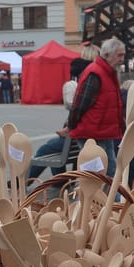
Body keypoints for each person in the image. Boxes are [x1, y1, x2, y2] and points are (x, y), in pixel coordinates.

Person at [27, 57, 91, 185]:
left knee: (45, 150)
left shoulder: (81, 92)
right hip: (76, 144)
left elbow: (77, 119)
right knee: (53, 147)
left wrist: (67, 131)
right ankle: (60, 180)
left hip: (74, 140)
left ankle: (24, 181)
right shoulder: (87, 90)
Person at [68, 38, 126, 176]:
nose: (122, 59)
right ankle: (105, 198)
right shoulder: (96, 73)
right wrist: (71, 126)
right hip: (92, 133)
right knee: (100, 174)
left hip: (103, 132)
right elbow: (80, 104)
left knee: (109, 171)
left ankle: (111, 197)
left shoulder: (107, 72)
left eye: (123, 55)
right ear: (107, 55)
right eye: (119, 55)